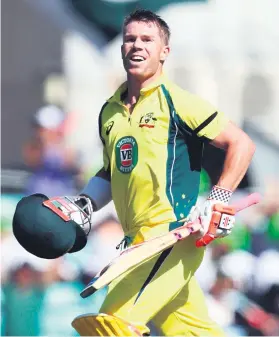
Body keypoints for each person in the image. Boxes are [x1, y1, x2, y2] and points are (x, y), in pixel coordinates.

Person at [13, 9, 255, 336]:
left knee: (111, 326)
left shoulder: (178, 102)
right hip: (134, 241)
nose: (137, 46)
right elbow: (114, 171)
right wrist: (85, 202)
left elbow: (241, 144)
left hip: (171, 235)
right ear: (122, 47)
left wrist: (218, 198)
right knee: (195, 332)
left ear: (164, 51)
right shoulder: (110, 111)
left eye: (147, 39)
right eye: (130, 39)